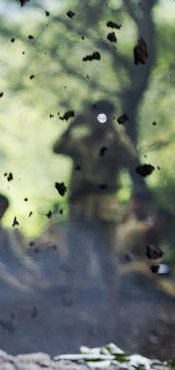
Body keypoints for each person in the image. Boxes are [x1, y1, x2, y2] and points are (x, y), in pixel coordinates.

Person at [53, 99, 138, 292]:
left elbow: (130, 158)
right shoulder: (79, 142)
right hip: (81, 202)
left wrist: (114, 130)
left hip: (106, 204)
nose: (100, 119)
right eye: (97, 114)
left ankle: (110, 299)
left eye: (105, 115)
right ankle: (75, 296)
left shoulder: (115, 142)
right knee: (77, 252)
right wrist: (71, 127)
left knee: (108, 255)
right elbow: (57, 148)